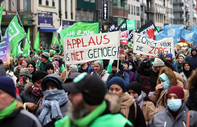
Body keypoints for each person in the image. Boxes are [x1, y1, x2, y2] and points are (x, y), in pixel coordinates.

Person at [55, 72, 133, 127]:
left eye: (75, 93)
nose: (69, 97)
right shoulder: (66, 122)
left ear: (89, 97)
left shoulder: (119, 124)